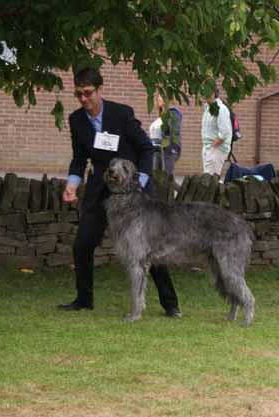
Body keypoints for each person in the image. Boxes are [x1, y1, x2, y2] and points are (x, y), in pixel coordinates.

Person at [58, 68, 182, 318]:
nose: (83, 99)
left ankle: (170, 304)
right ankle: (84, 300)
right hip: (100, 192)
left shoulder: (121, 114)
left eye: (88, 93)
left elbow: (146, 149)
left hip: (135, 194)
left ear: (100, 89)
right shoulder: (76, 120)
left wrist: (139, 181)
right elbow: (80, 158)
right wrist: (72, 182)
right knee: (83, 243)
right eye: (78, 94)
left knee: (149, 248)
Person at [148, 92, 183, 175]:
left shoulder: (173, 113)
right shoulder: (162, 115)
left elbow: (174, 134)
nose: (159, 98)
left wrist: (170, 150)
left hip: (167, 152)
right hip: (156, 152)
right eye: (159, 96)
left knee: (166, 178)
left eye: (162, 96)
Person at [201, 87, 232, 175]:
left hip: (216, 148)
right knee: (208, 178)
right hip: (208, 147)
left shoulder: (221, 109)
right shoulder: (207, 107)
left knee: (210, 180)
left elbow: (224, 133)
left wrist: (213, 148)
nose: (203, 95)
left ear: (213, 93)